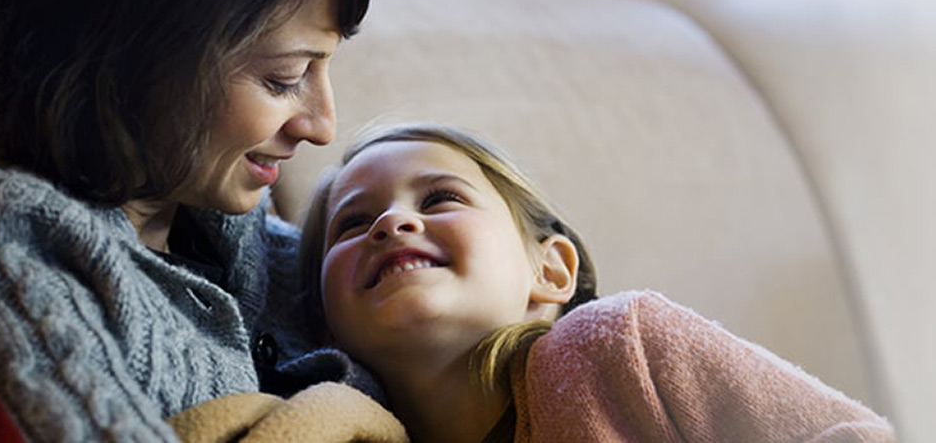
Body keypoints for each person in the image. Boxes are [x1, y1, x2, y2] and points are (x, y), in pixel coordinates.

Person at [0, 0, 371, 441]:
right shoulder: (17, 254)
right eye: (284, 78)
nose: (322, 126)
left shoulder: (242, 235)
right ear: (128, 56)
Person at [296, 123, 897, 443]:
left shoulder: (616, 346)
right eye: (351, 223)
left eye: (440, 198)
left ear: (550, 270)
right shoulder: (352, 429)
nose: (391, 223)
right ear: (323, 319)